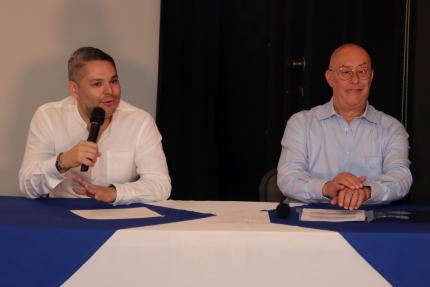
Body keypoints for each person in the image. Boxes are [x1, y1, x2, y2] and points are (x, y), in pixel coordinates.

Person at [19, 47, 171, 205]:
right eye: (97, 84)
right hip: (63, 218)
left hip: (119, 219)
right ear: (74, 89)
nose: (110, 91)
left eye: (113, 81)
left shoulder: (140, 121)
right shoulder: (49, 116)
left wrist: (115, 192)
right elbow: (27, 187)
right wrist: (62, 161)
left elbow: (160, 185)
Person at [277, 43, 412, 210]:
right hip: (307, 226)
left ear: (371, 76)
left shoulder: (392, 128)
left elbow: (401, 178)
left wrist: (366, 191)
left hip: (370, 225)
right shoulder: (301, 123)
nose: (355, 80)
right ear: (329, 78)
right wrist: (326, 187)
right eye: (345, 72)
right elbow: (287, 177)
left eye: (362, 71)